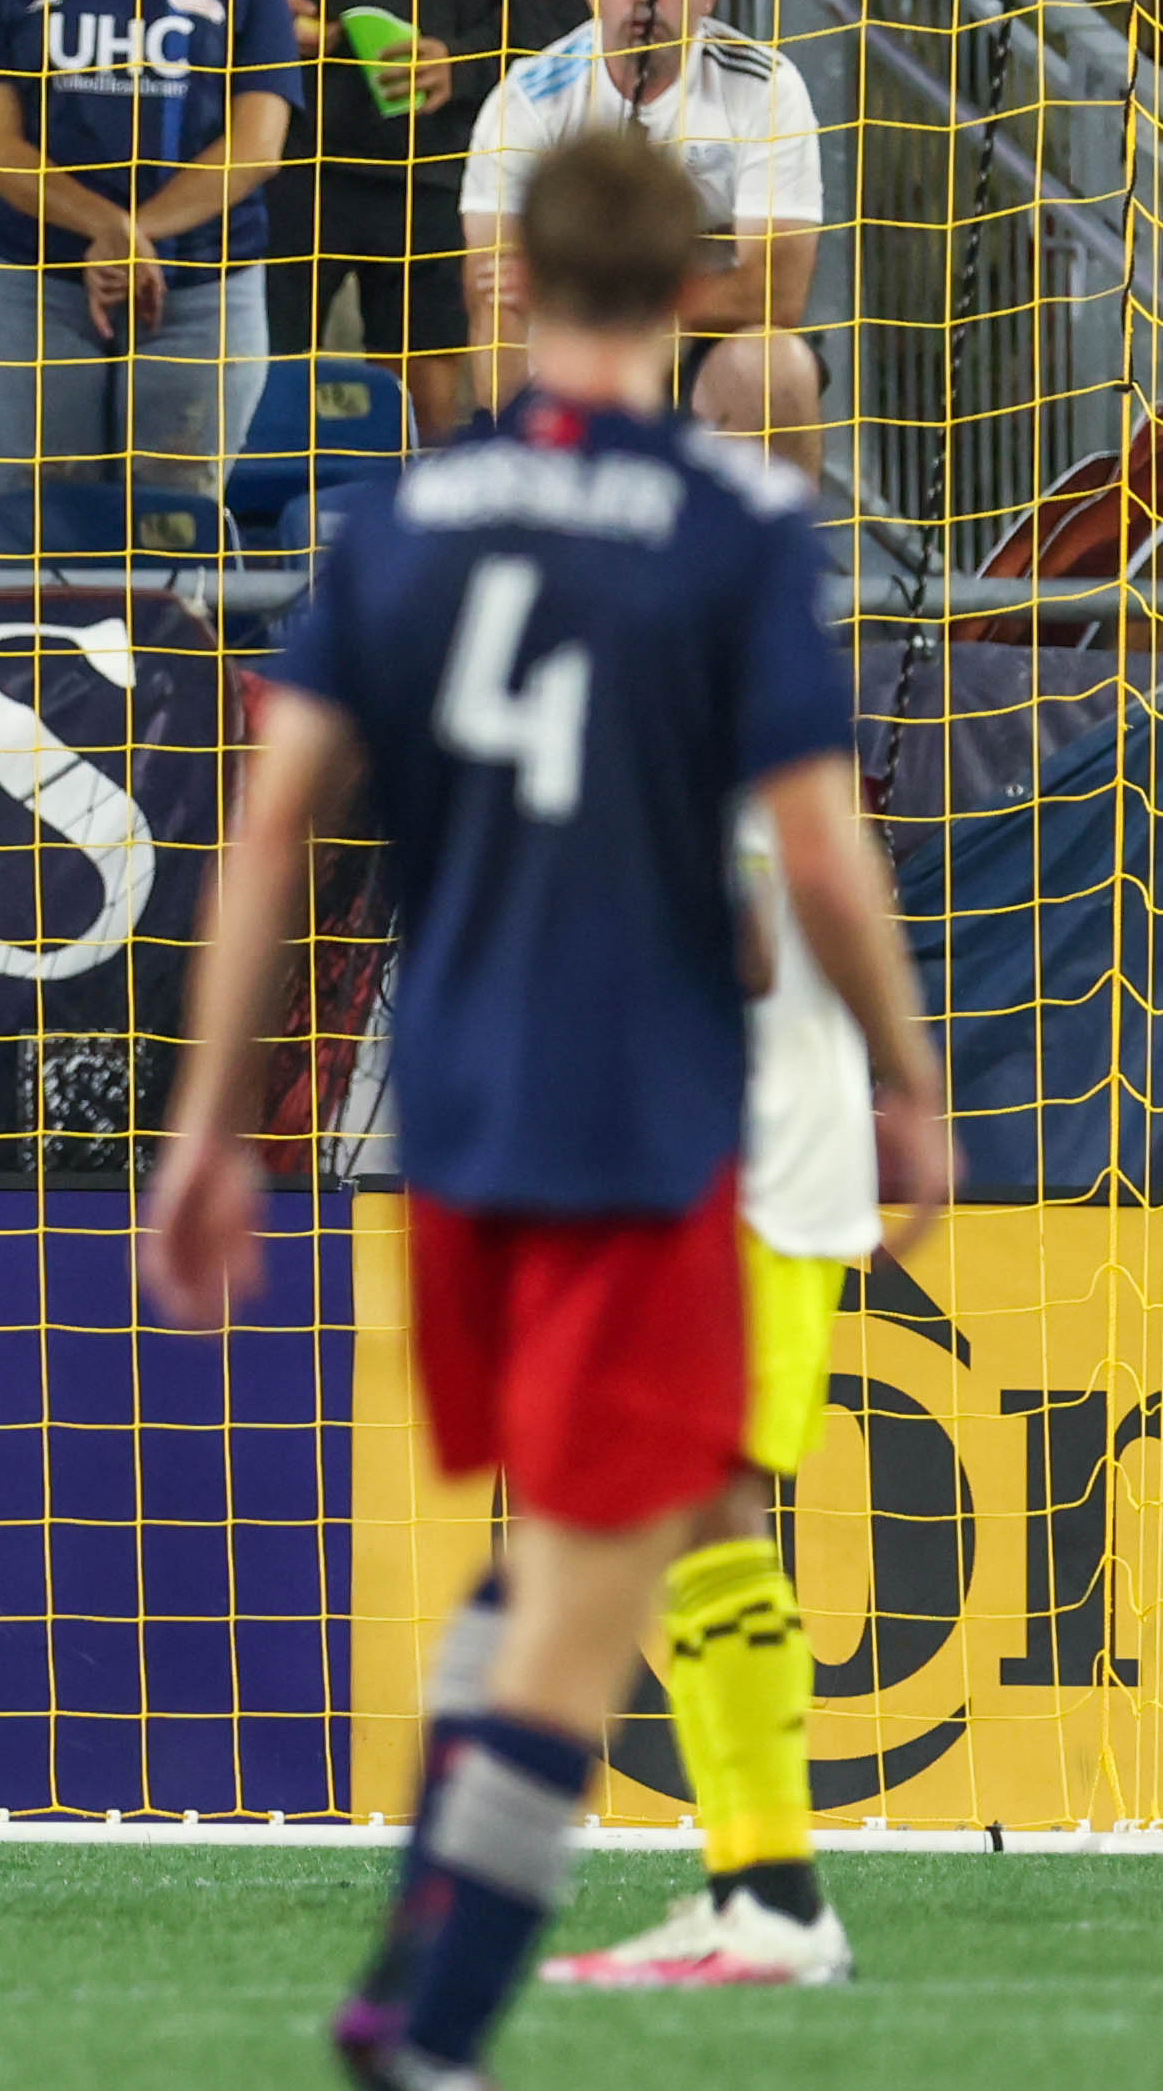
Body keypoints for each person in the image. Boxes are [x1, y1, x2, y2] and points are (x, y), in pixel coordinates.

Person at [141, 129, 954, 2087]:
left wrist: (208, 1121)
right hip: (650, 1117)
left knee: (586, 1543)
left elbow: (270, 837)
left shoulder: (398, 517)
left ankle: (658, 1924)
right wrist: (911, 1075)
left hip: (462, 1114)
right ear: (700, 292)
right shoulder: (728, 530)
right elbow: (805, 883)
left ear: (500, 280)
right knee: (597, 1579)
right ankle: (428, 2023)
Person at [539, 541, 878, 1998]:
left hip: (735, 1153)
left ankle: (775, 1893)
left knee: (697, 1508)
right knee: (697, 1514)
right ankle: (758, 1884)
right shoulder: (748, 689)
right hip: (759, 1146)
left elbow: (736, 941)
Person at [0, 0, 303, 508]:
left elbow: (258, 146)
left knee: (180, 517)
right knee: (27, 514)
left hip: (204, 284)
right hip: (26, 278)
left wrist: (132, 237)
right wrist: (108, 230)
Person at [459, 0, 828, 470]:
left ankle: (775, 547)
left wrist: (614, 299)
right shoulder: (526, 99)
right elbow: (497, 292)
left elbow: (777, 294)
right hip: (573, 341)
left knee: (775, 368)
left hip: (705, 335)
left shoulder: (765, 86)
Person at [262, 0, 564, 440]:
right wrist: (258, 1)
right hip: (295, 151)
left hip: (437, 161)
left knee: (421, 417)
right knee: (266, 399)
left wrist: (468, 59)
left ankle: (414, 512)